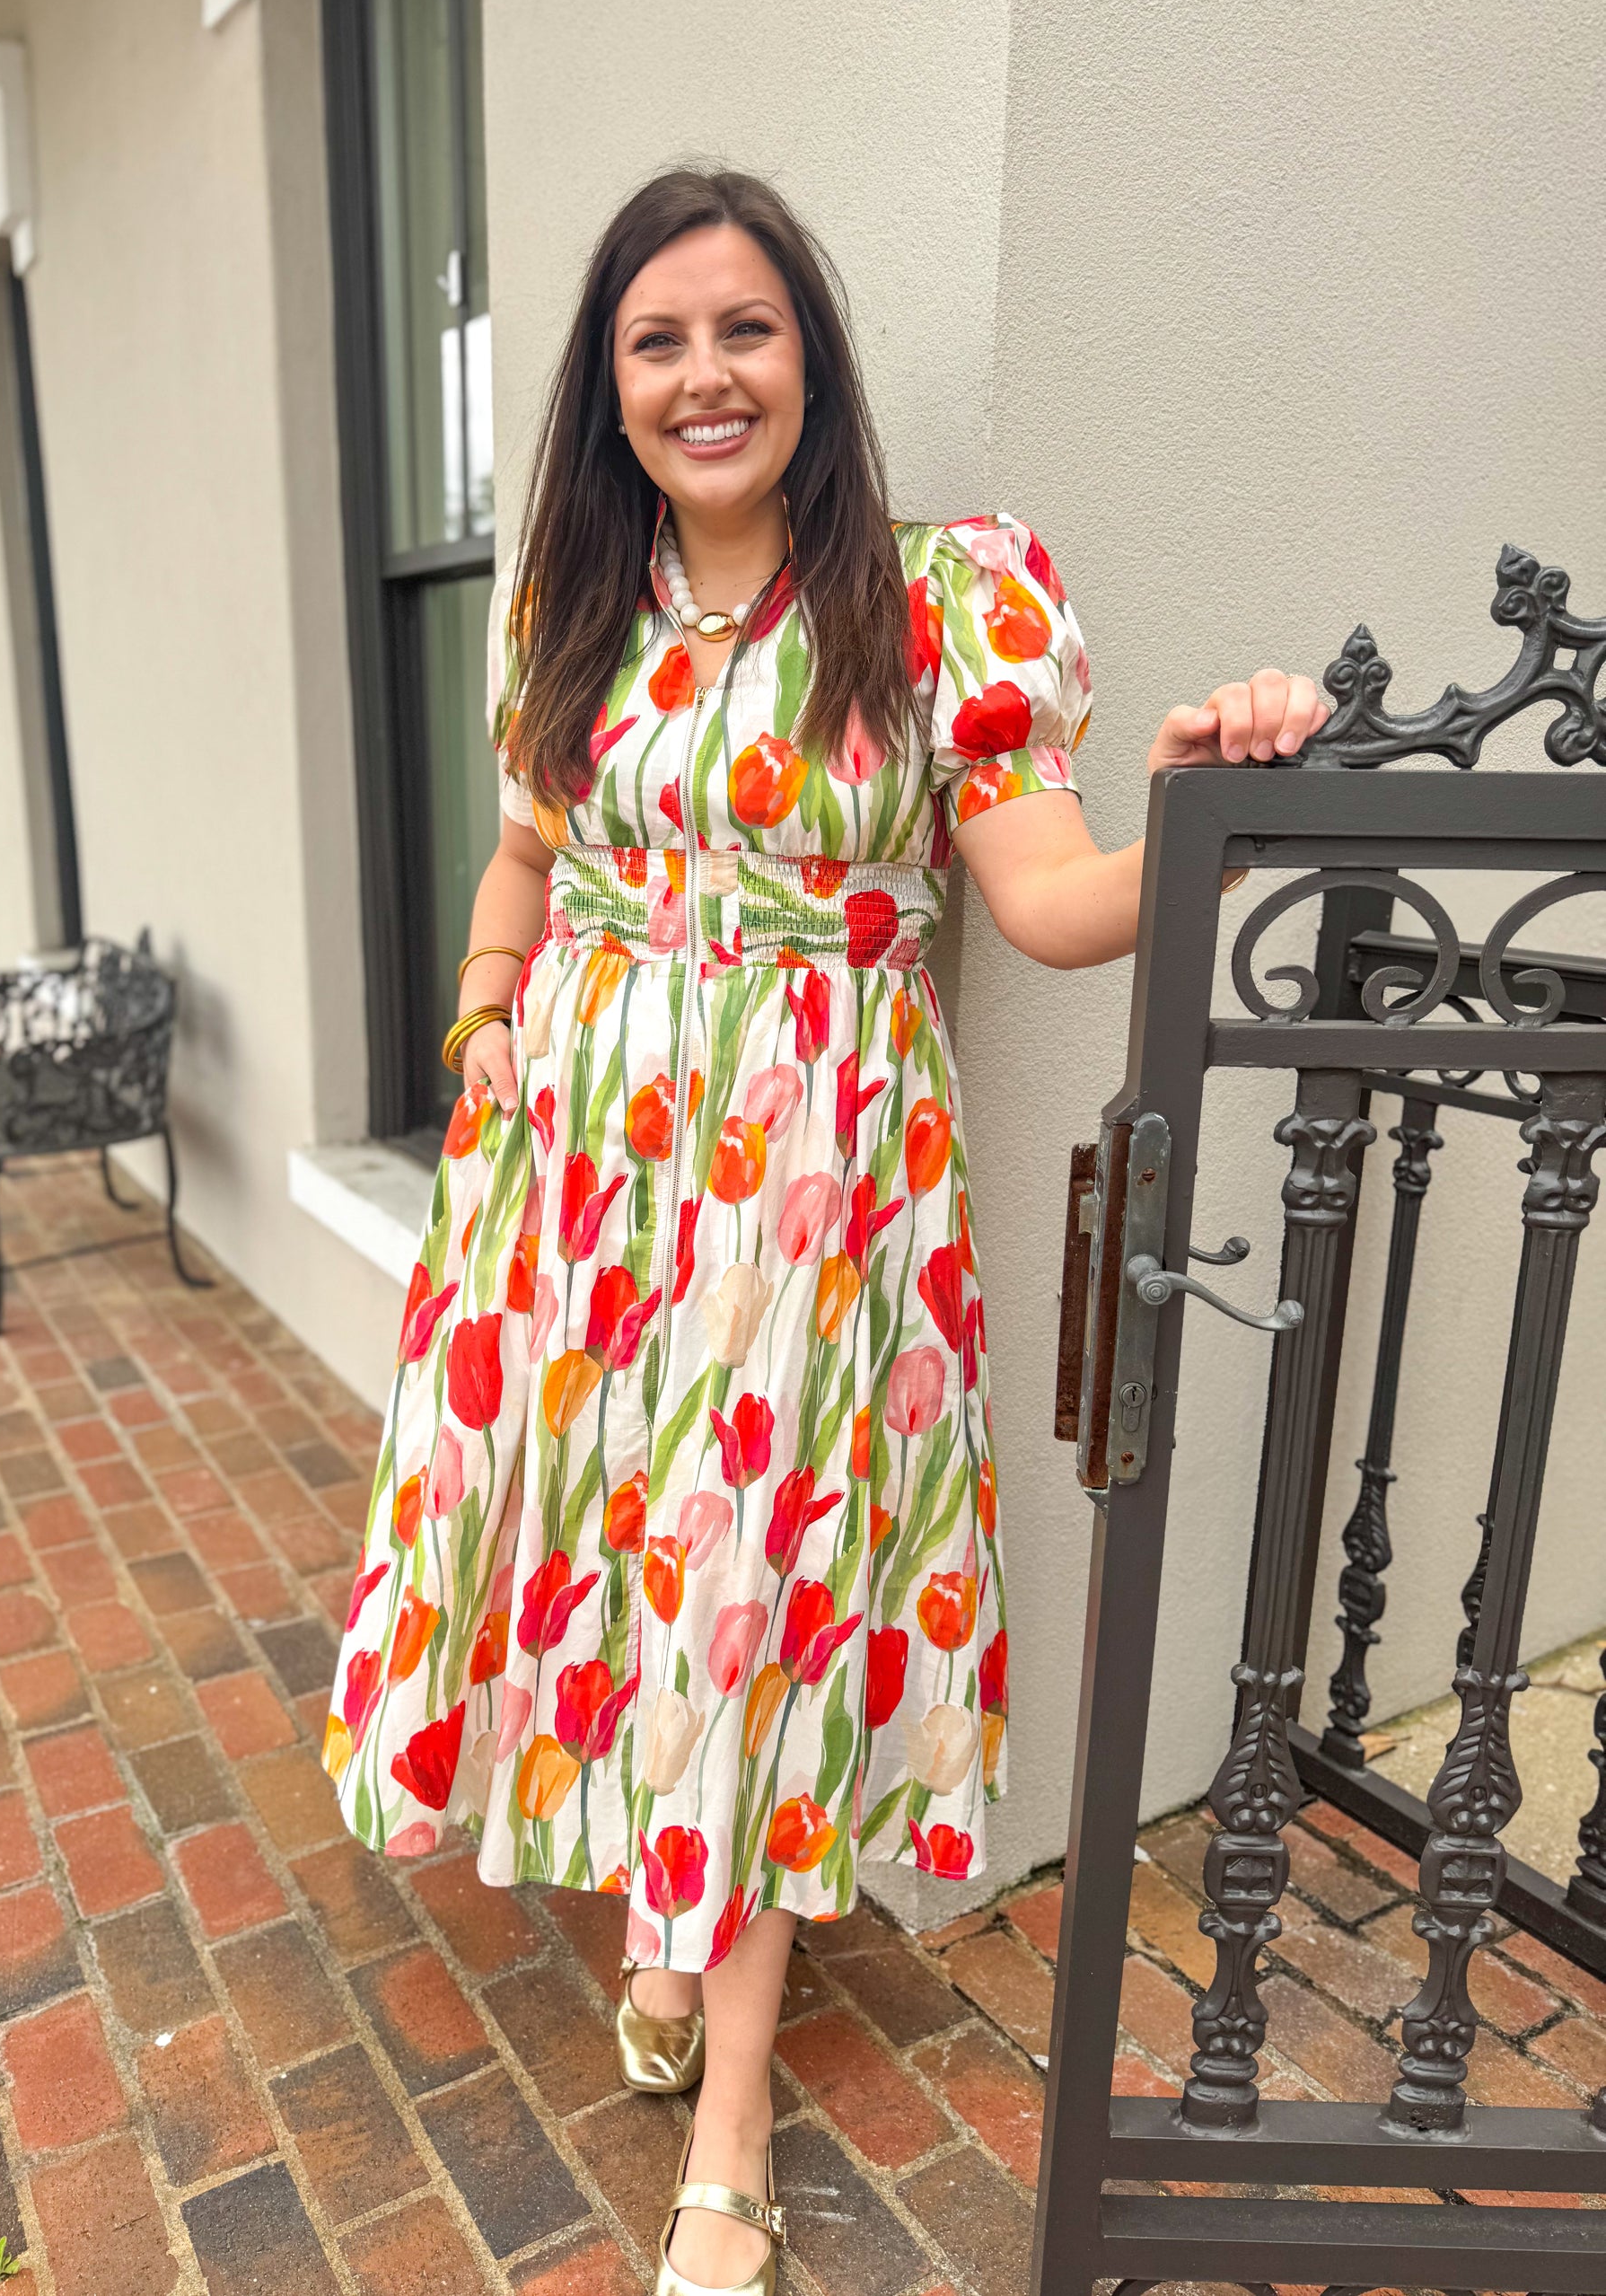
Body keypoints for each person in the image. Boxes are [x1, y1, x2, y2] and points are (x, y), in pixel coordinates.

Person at [324, 166, 1327, 2296]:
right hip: (578, 1191)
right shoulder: (566, 607)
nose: (704, 375)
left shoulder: (936, 600)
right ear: (609, 386)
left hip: (809, 1190)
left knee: (751, 1600)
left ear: (809, 361)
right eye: (657, 340)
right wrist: (486, 1018)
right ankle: (666, 1910)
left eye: (744, 329)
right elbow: (524, 865)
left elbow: (1050, 905)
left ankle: (729, 2113)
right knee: (623, 1563)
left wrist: (1198, 807)